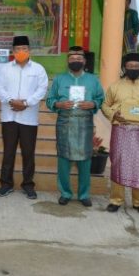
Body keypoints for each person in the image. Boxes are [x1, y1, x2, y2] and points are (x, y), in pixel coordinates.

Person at [101, 53, 139, 215]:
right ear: (124, 68)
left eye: (137, 66)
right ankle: (116, 200)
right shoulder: (115, 87)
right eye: (130, 66)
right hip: (121, 130)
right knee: (118, 165)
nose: (134, 69)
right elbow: (105, 105)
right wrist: (114, 115)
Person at [47, 46, 104, 207]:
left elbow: (100, 98)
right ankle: (65, 193)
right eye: (72, 58)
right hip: (65, 123)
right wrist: (59, 104)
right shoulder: (59, 79)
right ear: (68, 61)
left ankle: (84, 194)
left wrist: (93, 104)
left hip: (85, 123)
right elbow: (50, 100)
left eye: (79, 59)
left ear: (84, 61)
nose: (75, 61)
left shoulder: (93, 80)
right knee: (64, 160)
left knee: (85, 160)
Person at [0, 36, 49, 199]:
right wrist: (11, 101)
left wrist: (26, 103)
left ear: (29, 50)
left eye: (24, 48)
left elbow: (42, 89)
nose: (21, 51)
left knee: (28, 153)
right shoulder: (5, 69)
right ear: (13, 51)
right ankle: (6, 184)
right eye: (18, 49)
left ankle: (28, 185)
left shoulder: (38, 69)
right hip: (9, 117)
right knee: (8, 152)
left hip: (29, 118)